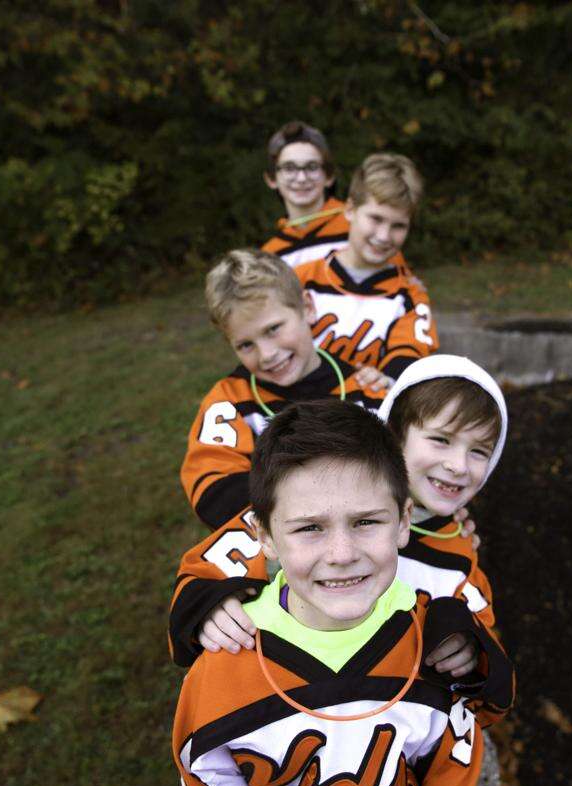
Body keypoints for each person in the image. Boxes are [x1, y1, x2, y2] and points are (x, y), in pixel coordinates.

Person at [172, 400, 515, 786]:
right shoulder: (223, 672)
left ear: (406, 520)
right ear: (264, 536)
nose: (341, 553)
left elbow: (454, 771)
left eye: (367, 522)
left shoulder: (435, 654)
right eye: (308, 529)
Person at [170, 354, 506, 669]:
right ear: (395, 434)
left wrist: (472, 652)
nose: (458, 465)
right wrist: (208, 608)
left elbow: (488, 646)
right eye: (441, 440)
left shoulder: (460, 551)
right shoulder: (313, 506)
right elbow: (204, 572)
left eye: (479, 451)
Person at [181, 248, 389, 530]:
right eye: (245, 344)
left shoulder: (365, 389)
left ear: (308, 308)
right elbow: (214, 492)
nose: (266, 354)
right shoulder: (229, 402)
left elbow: (412, 471)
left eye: (273, 329)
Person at [294, 152, 439, 379]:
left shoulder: (410, 295)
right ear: (350, 210)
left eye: (398, 226)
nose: (383, 236)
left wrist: (387, 380)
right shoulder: (301, 279)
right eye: (376, 219)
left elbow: (409, 359)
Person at [261, 120, 351, 268]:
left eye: (312, 167)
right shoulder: (271, 257)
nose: (301, 178)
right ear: (271, 179)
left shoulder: (357, 227)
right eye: (289, 168)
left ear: (329, 176)